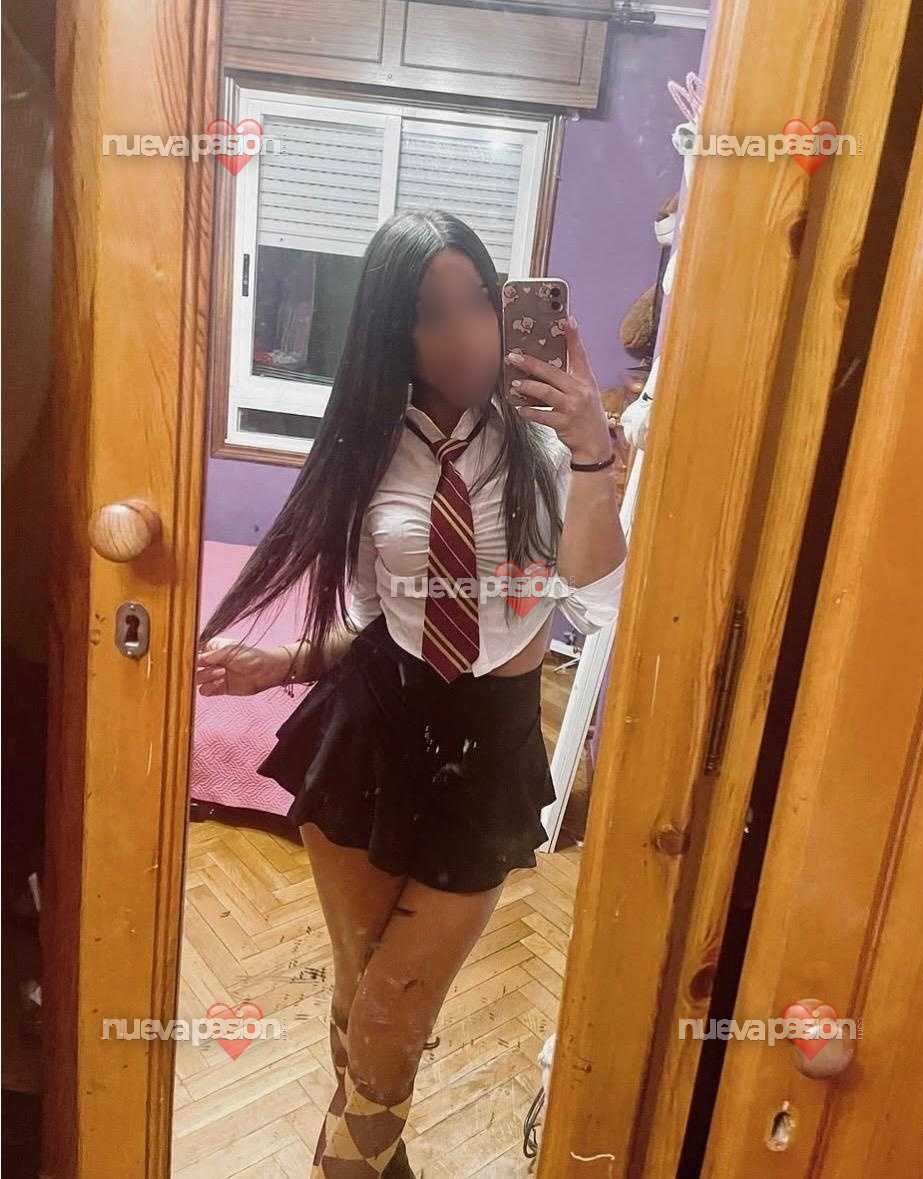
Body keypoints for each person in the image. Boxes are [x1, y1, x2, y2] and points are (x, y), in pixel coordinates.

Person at [194, 209, 627, 1177]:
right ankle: (372, 1163)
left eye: (479, 301)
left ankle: (345, 1165)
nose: (465, 332)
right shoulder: (362, 449)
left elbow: (596, 594)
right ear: (393, 329)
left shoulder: (548, 445)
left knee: (397, 1000)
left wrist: (595, 449)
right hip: (372, 728)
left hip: (487, 748)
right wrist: (284, 661)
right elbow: (374, 615)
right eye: (432, 312)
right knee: (362, 989)